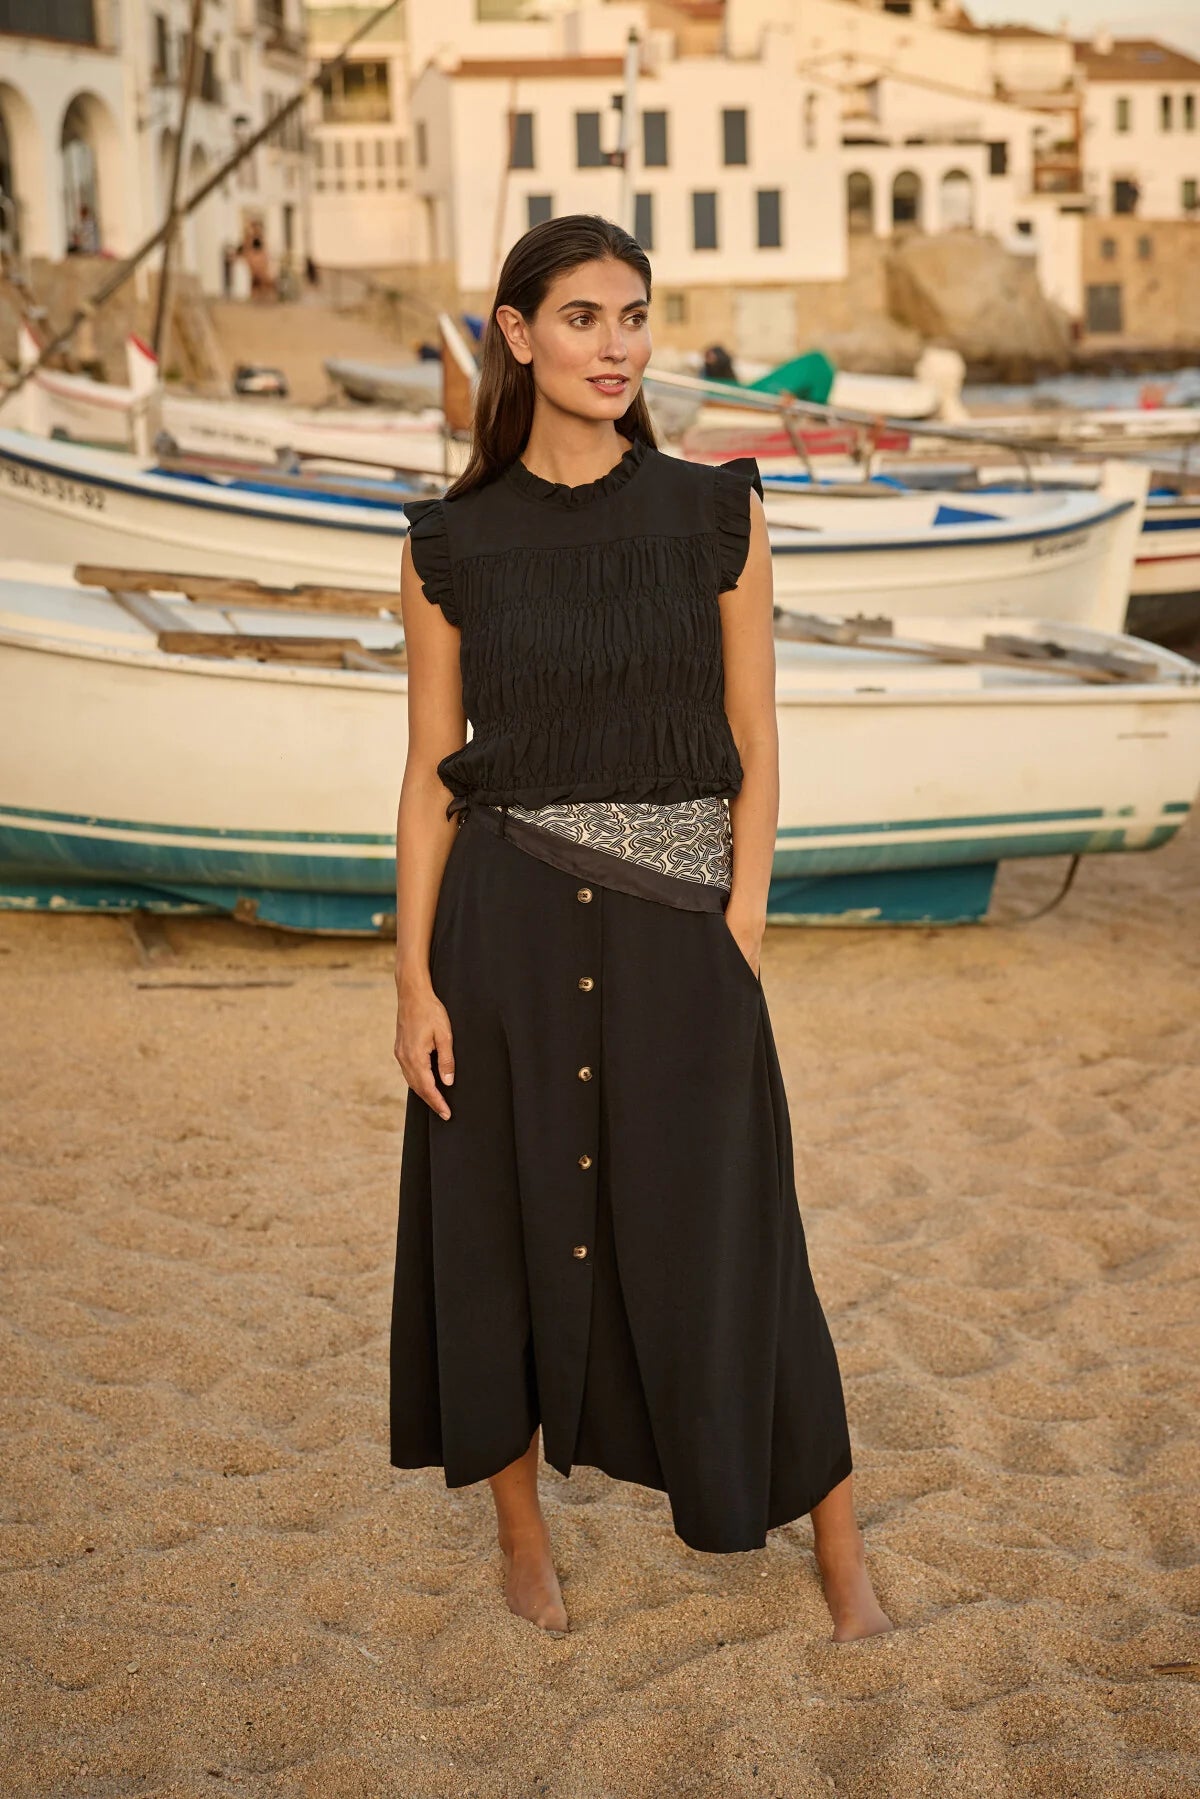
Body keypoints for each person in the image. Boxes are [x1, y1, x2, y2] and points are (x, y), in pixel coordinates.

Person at [389, 213, 893, 1646]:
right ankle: (520, 1538)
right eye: (587, 317)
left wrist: (742, 920)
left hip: (685, 932)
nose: (618, 345)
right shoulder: (448, 544)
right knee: (491, 1230)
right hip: (502, 937)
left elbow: (755, 731)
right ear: (517, 332)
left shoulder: (715, 512)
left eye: (636, 317)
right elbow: (432, 776)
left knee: (736, 1235)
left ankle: (838, 1547)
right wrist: (411, 978)